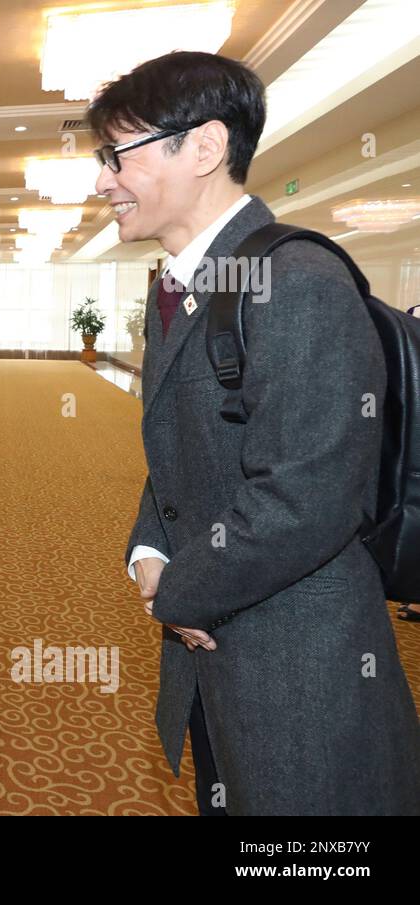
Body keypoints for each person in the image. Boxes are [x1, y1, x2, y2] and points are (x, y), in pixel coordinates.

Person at [94, 51, 420, 815]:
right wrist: (149, 547)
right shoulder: (181, 287)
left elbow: (307, 494)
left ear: (203, 148)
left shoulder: (295, 281)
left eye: (118, 154)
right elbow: (184, 449)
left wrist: (181, 588)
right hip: (219, 639)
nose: (102, 180)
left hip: (300, 662)